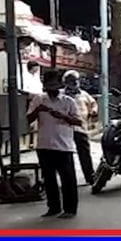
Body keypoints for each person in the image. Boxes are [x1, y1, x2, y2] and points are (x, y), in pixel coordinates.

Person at [27, 70, 83, 219]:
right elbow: (28, 119)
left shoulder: (68, 101)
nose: (52, 87)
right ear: (45, 85)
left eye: (54, 83)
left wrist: (63, 116)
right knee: (49, 179)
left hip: (64, 146)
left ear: (60, 84)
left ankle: (70, 209)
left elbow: (78, 122)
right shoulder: (39, 99)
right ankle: (53, 207)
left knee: (68, 179)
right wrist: (39, 109)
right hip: (44, 145)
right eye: (48, 84)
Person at [62, 70, 98, 185]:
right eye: (71, 81)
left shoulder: (84, 94)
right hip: (64, 128)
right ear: (66, 82)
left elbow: (93, 104)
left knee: (84, 153)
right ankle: (68, 179)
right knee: (65, 155)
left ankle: (90, 176)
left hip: (81, 128)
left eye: (75, 81)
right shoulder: (61, 95)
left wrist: (93, 111)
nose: (73, 83)